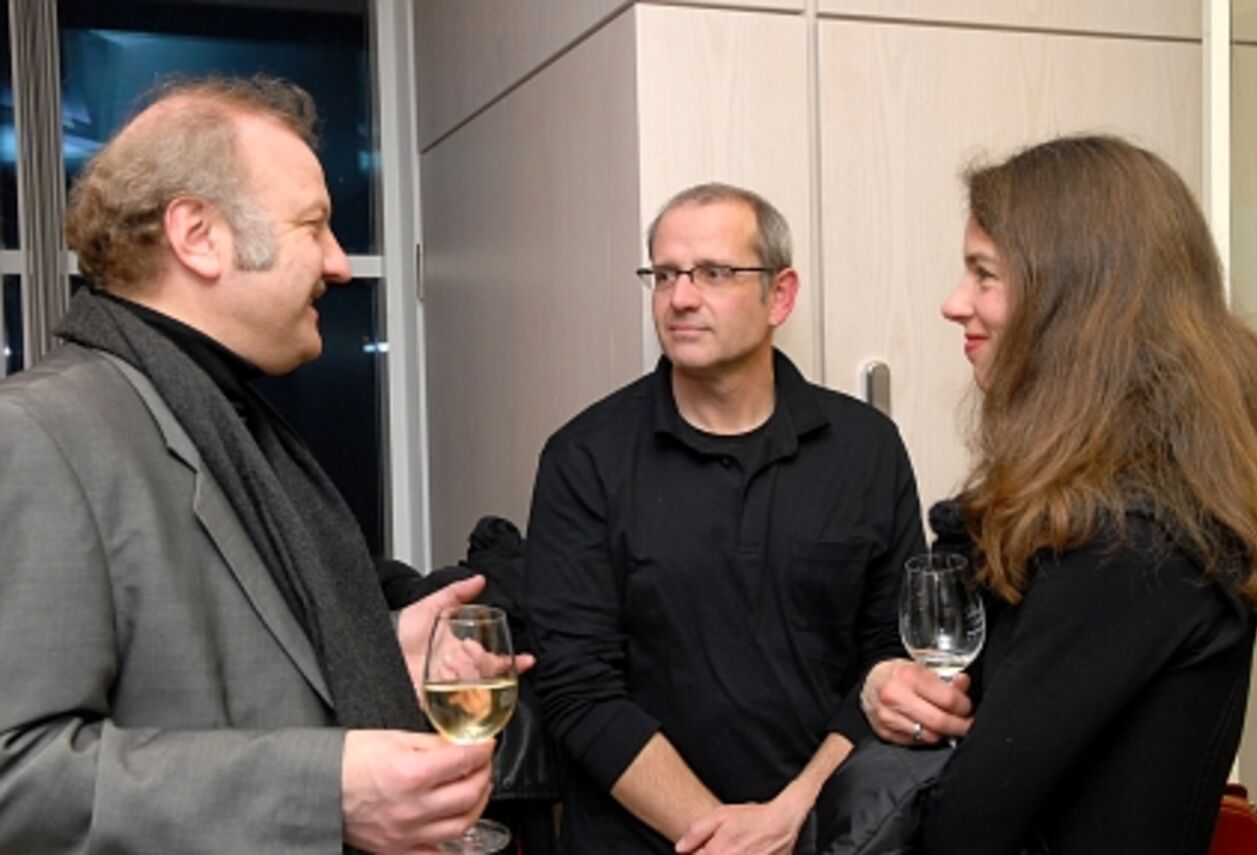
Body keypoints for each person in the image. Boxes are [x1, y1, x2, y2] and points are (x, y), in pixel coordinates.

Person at [0, 75, 502, 854]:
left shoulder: (230, 417)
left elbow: (242, 647)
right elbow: (16, 779)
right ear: (198, 235)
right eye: (315, 226)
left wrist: (373, 641)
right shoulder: (38, 431)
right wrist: (325, 789)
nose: (339, 265)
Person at [872, 134, 1257, 853]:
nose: (953, 302)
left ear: (1075, 305)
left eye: (984, 274)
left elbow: (963, 829)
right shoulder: (1110, 506)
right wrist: (890, 690)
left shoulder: (1132, 548)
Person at [523, 182, 939, 853]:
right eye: (664, 275)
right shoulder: (584, 457)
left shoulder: (867, 448)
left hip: (827, 834)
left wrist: (790, 818)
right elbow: (578, 686)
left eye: (714, 273)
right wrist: (718, 838)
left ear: (780, 295)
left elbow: (889, 660)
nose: (681, 297)